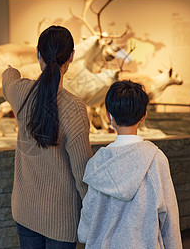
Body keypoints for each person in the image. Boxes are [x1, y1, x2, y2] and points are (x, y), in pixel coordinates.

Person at [2, 25, 92, 248]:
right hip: (61, 219)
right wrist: (92, 213)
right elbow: (83, 174)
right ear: (71, 57)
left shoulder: (21, 92)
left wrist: (12, 69)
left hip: (25, 211)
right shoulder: (74, 108)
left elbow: (8, 77)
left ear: (38, 54)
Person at [78, 80, 182, 249]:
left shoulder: (97, 163)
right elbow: (169, 220)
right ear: (144, 115)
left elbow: (85, 230)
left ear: (108, 116)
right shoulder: (156, 159)